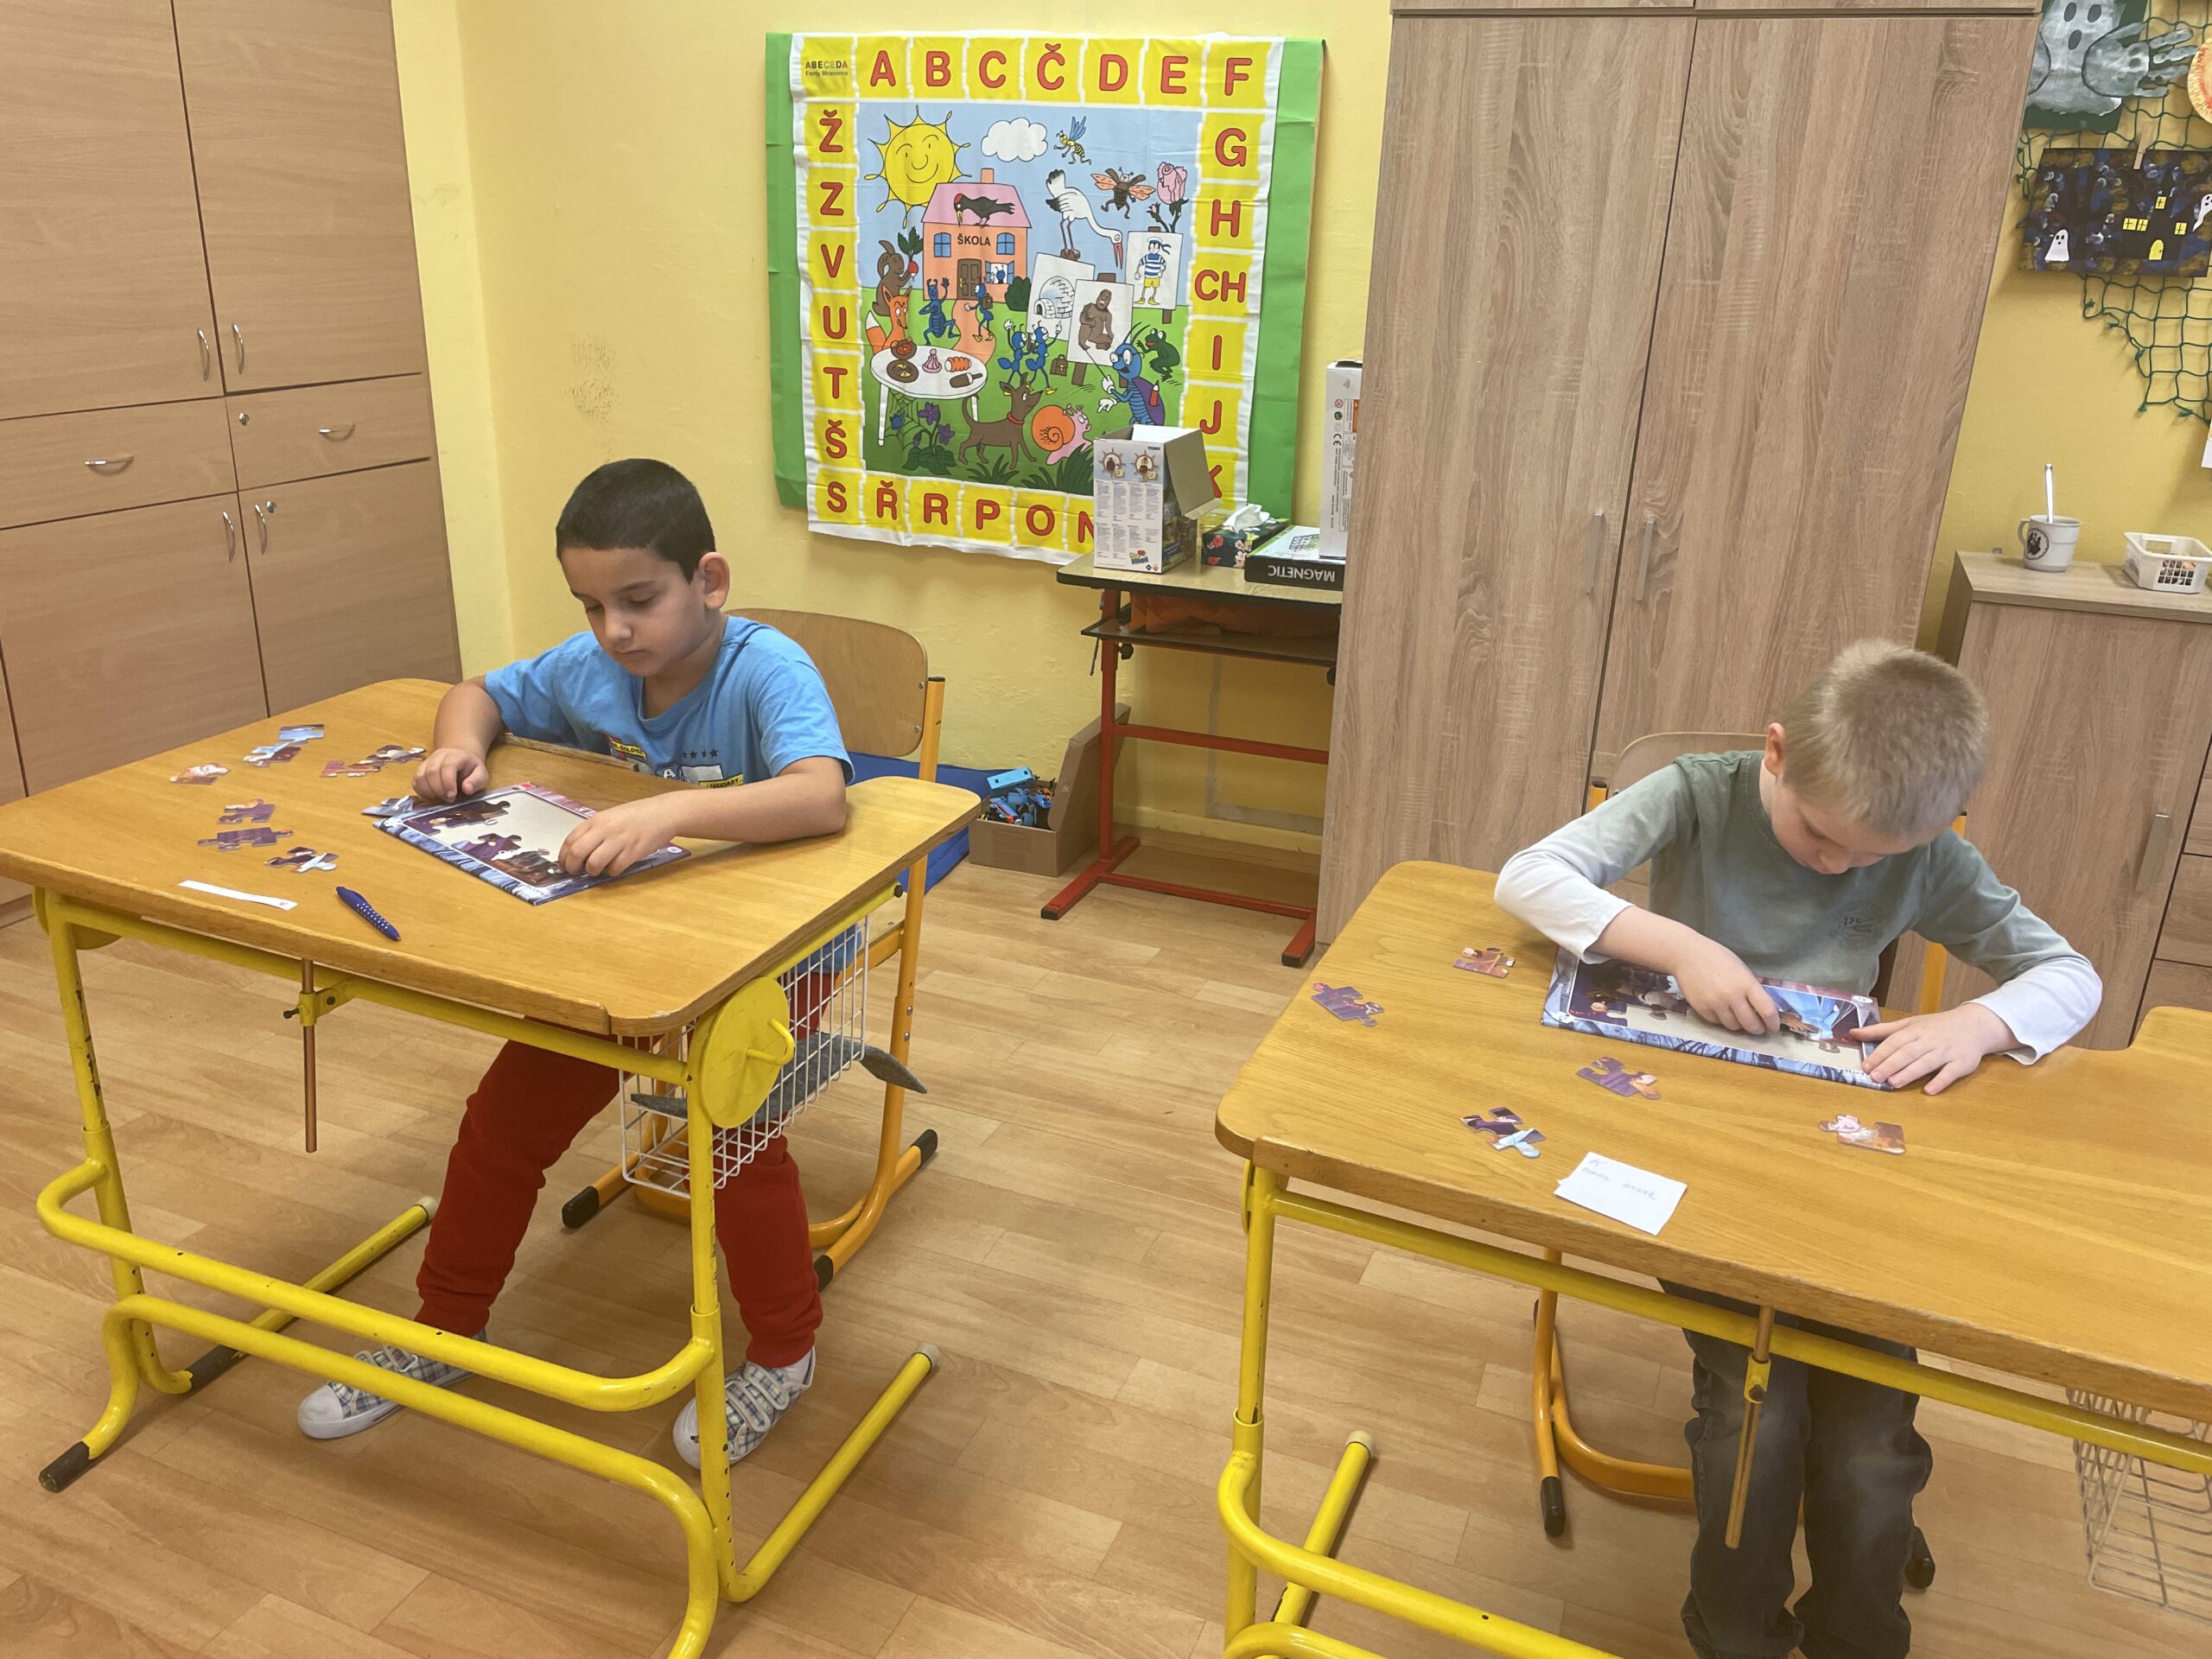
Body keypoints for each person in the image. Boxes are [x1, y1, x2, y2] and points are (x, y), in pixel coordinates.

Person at [1497, 640, 2100, 1659]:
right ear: (1775, 752)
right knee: (1756, 1417)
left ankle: (1858, 1639)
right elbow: (1527, 878)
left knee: (1867, 1441)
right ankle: (1733, 1636)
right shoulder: (1699, 793)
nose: (1840, 866)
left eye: (1872, 858)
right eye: (1823, 837)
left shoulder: (1919, 855)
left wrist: (1978, 1024)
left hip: (1836, 1169)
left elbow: (2070, 975)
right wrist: (1681, 946)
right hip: (1691, 1151)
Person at [297, 458, 851, 1470]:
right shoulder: (591, 667)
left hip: (780, 951)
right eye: (592, 606)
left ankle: (785, 1350)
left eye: (638, 600)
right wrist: (457, 750)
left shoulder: (766, 668)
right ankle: (445, 1329)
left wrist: (670, 811)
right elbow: (476, 692)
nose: (614, 631)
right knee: (502, 1124)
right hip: (629, 953)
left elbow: (821, 795)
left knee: (728, 1139)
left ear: (709, 581)